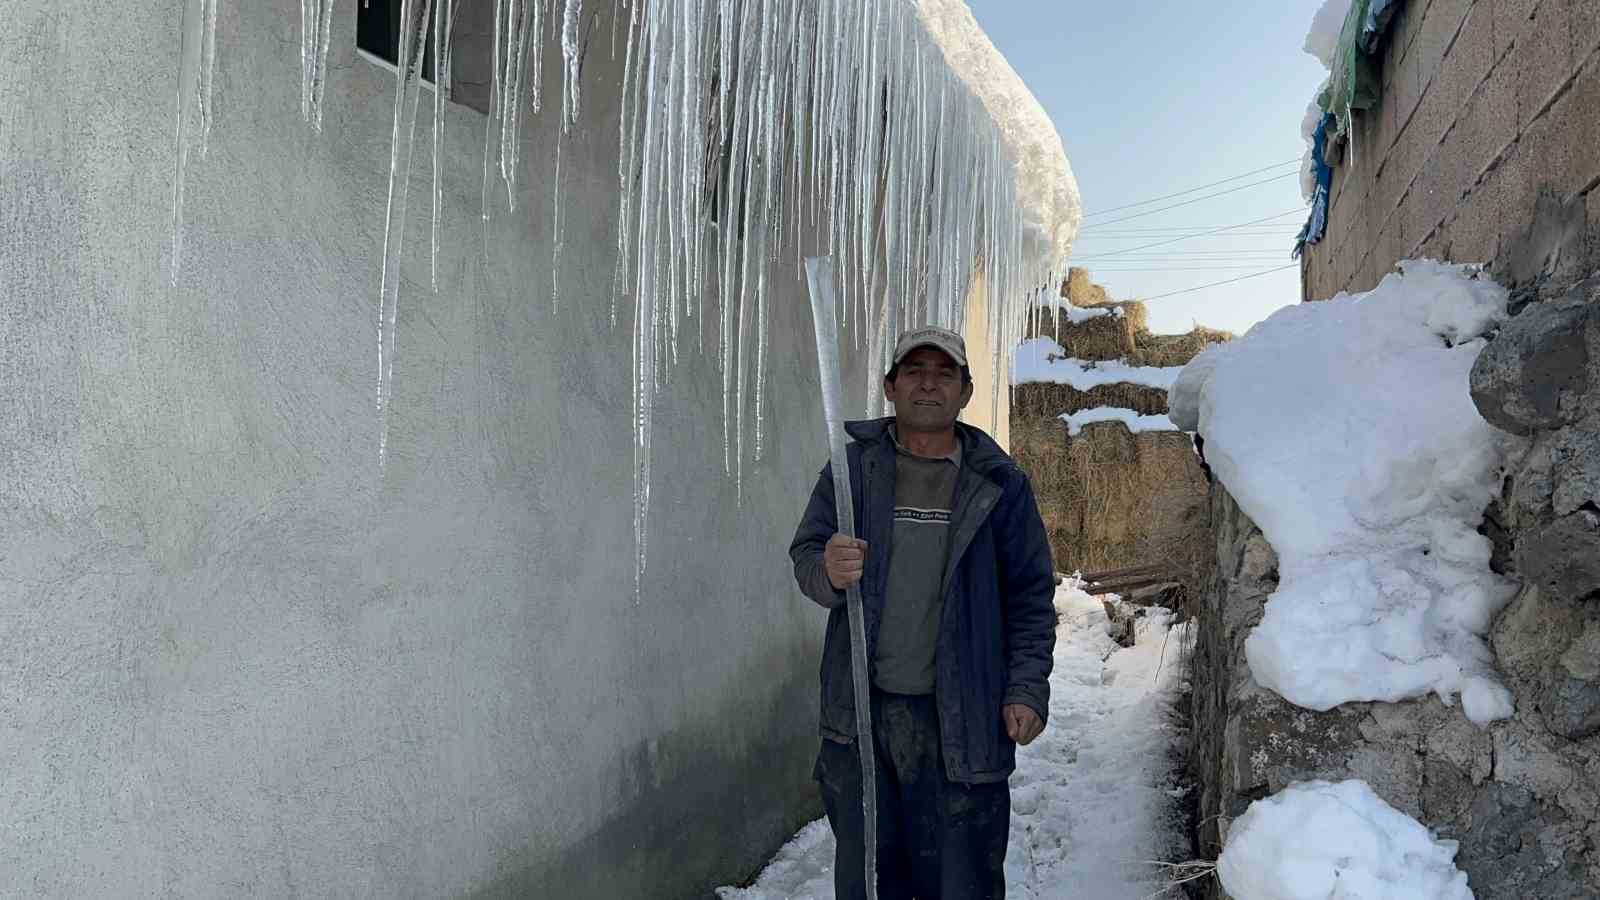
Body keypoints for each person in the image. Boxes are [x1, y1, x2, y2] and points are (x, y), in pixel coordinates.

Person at [789, 325, 1057, 899]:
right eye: (914, 371)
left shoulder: (1000, 484)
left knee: (962, 881)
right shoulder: (852, 472)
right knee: (871, 879)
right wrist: (827, 570)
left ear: (966, 391)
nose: (928, 384)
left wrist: (1027, 687)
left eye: (943, 373)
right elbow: (807, 554)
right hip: (863, 718)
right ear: (890, 387)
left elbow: (1031, 595)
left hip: (964, 718)